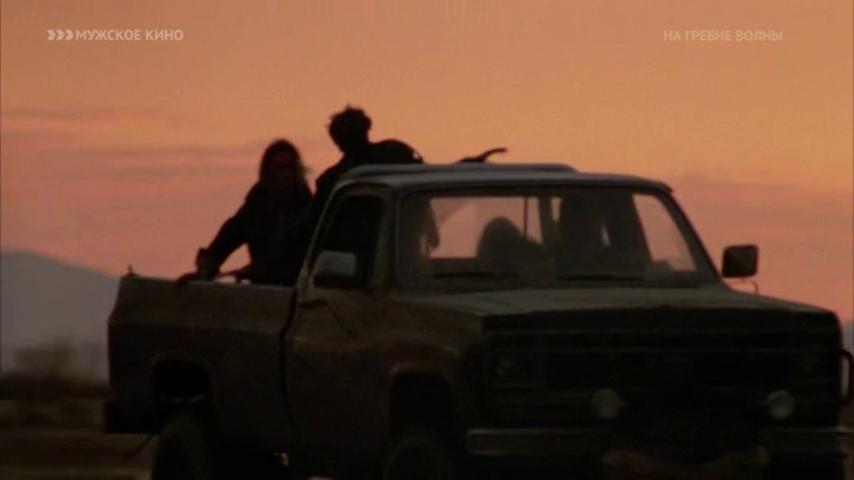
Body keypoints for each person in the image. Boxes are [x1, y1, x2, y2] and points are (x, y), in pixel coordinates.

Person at [177, 139, 313, 285]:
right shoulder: (258, 204)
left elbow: (298, 251)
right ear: (267, 172)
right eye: (279, 168)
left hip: (297, 288)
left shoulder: (308, 209)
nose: (285, 174)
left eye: (290, 168)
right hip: (264, 289)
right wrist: (208, 265)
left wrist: (264, 268)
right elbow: (232, 233)